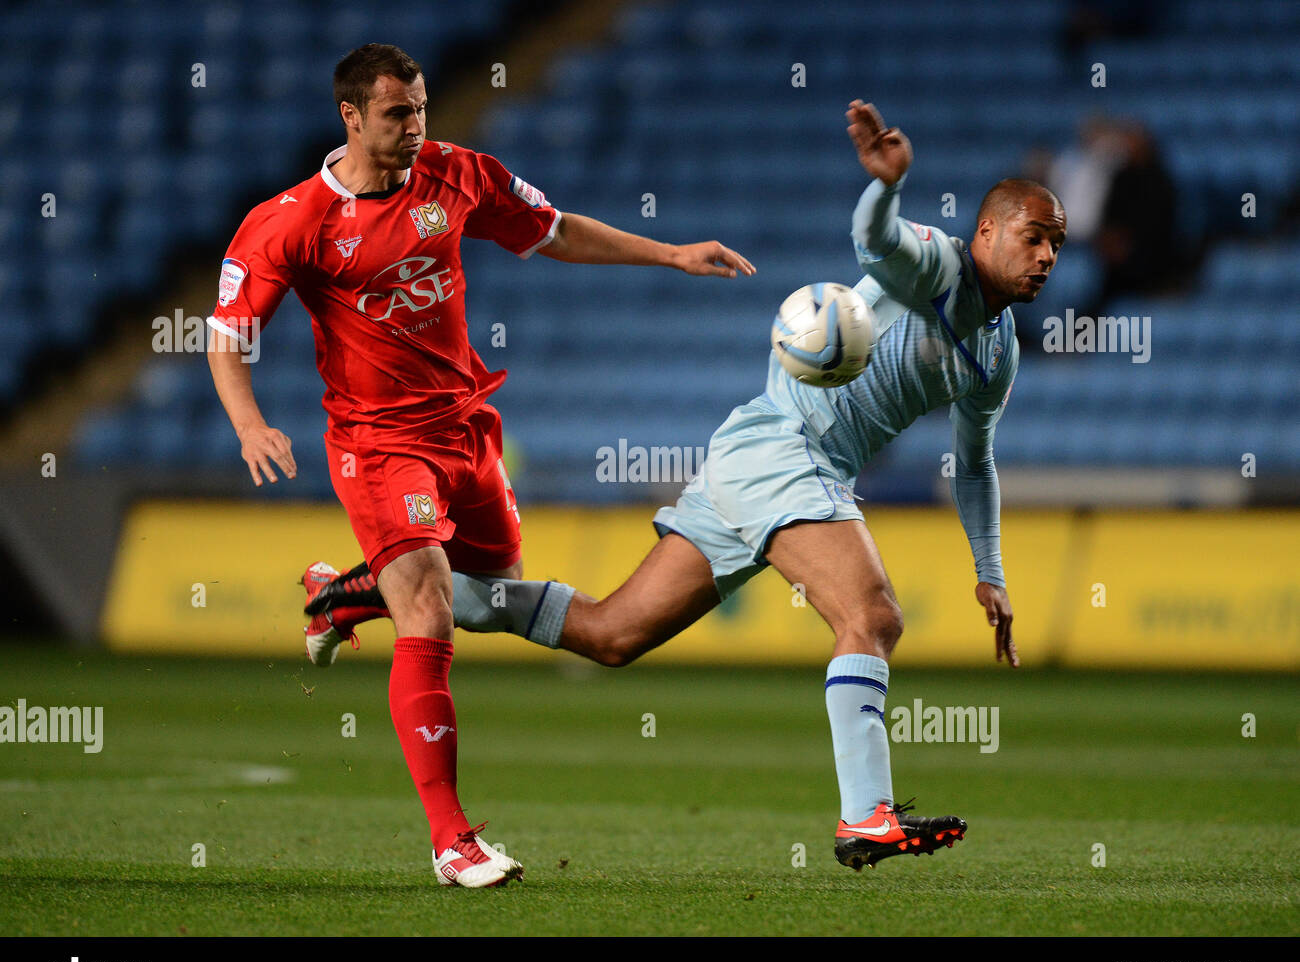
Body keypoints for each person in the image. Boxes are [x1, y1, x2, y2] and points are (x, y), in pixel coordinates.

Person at [305, 101, 1067, 871]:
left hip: (770, 463)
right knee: (872, 615)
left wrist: (990, 570)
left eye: (1057, 246)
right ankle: (866, 817)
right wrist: (886, 187)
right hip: (783, 449)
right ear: (986, 232)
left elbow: (974, 462)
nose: (1046, 257)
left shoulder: (996, 353)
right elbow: (876, 241)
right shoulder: (936, 263)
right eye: (1033, 237)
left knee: (610, 634)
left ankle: (367, 589)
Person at [206, 43, 754, 888]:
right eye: (397, 114)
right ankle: (451, 838)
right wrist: (249, 423)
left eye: (420, 107)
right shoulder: (290, 220)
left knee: (492, 589)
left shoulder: (457, 174)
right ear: (350, 118)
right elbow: (227, 337)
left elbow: (555, 229)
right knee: (429, 610)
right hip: (378, 443)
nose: (416, 126)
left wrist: (669, 252)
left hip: (466, 429)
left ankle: (340, 593)